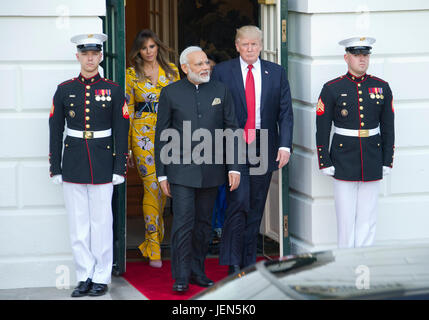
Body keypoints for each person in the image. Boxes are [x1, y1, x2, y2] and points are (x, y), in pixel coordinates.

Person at [154, 46, 241, 292]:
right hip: (180, 170)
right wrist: (162, 173)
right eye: (199, 64)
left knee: (204, 225)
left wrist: (234, 167)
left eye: (206, 63)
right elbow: (162, 135)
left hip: (213, 170)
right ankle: (180, 276)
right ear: (185, 68)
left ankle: (197, 271)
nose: (205, 67)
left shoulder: (220, 90)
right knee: (183, 223)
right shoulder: (170, 93)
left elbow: (232, 130)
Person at [49, 33, 129, 297]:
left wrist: (119, 168)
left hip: (103, 163)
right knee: (78, 225)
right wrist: (56, 166)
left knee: (102, 223)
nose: (90, 58)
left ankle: (101, 276)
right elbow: (55, 129)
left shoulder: (114, 90)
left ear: (101, 56)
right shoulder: (64, 89)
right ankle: (83, 275)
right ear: (78, 57)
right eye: (85, 54)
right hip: (72, 162)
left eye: (95, 54)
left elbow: (121, 130)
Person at [211, 25, 293, 274]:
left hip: (264, 143)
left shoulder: (275, 72)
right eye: (245, 44)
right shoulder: (223, 71)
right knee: (239, 203)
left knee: (256, 205)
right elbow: (215, 111)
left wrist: (285, 145)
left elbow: (285, 112)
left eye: (254, 44)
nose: (249, 49)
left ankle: (248, 262)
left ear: (261, 46)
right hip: (234, 143)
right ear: (237, 45)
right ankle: (233, 263)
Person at [315, 37, 395, 248]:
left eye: (365, 55)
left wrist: (387, 159)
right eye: (357, 55)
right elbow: (322, 127)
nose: (362, 59)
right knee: (345, 219)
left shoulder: (382, 87)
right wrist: (324, 160)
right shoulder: (332, 88)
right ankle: (346, 262)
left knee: (368, 218)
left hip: (372, 156)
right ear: (346, 57)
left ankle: (364, 261)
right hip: (343, 157)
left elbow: (388, 127)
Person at [126, 29, 180, 268]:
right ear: (138, 51)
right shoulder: (131, 74)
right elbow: (127, 111)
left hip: (169, 133)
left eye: (152, 46)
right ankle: (154, 245)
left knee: (163, 186)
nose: (148, 52)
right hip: (142, 134)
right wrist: (127, 146)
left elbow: (182, 104)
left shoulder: (173, 71)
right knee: (152, 186)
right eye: (143, 48)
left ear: (158, 46)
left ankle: (154, 241)